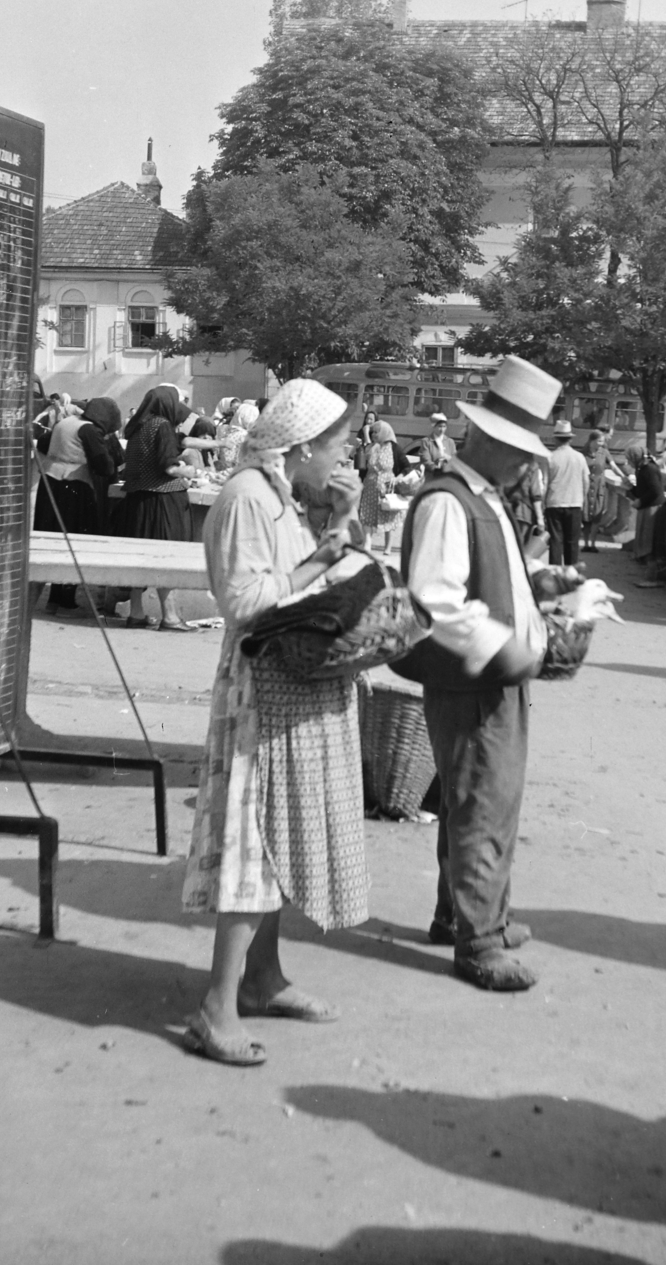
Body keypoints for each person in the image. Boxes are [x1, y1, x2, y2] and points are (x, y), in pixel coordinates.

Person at [180, 379, 366, 1066]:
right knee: (251, 843)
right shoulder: (245, 499)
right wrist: (322, 557)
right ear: (304, 445)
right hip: (260, 690)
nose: (344, 457)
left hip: (287, 688)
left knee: (273, 839)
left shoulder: (279, 499)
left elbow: (303, 577)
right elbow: (245, 600)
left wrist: (340, 524)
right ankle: (216, 1007)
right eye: (339, 445)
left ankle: (261, 979)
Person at [398, 355, 558, 993]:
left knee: (482, 801)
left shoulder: (482, 496)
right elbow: (436, 601)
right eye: (520, 451)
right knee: (482, 804)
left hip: (491, 677)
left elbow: (491, 585)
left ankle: (459, 915)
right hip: (473, 679)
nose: (528, 464)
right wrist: (505, 646)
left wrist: (541, 592)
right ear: (487, 440)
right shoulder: (448, 502)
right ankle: (479, 941)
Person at [114, 387, 198, 629]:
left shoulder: (137, 427)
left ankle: (137, 614)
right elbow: (168, 466)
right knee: (165, 557)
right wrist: (191, 471)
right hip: (163, 501)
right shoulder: (162, 426)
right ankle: (170, 616)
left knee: (139, 559)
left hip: (138, 501)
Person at [33, 396, 122, 612]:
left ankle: (44, 599)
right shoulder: (90, 431)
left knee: (49, 542)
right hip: (74, 488)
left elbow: (43, 444)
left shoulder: (64, 422)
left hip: (49, 484)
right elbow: (104, 465)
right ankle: (63, 600)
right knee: (73, 542)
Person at [542, 418, 590, 568]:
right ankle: (571, 574)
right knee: (572, 542)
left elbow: (544, 483)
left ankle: (555, 572)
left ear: (556, 438)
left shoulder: (550, 457)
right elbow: (586, 481)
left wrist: (543, 504)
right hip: (575, 503)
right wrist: (582, 499)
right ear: (570, 438)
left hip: (554, 502)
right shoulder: (579, 457)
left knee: (555, 541)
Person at [357, 420, 399, 552]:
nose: (374, 434)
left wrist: (399, 478)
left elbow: (404, 466)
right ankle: (367, 543)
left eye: (377, 432)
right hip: (370, 484)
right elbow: (361, 463)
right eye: (373, 432)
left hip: (387, 486)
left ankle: (388, 546)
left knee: (388, 515)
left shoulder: (394, 448)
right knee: (367, 513)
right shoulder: (372, 447)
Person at [626, 442, 665, 563]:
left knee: (648, 535)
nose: (628, 462)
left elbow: (656, 490)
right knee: (644, 534)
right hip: (647, 505)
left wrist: (641, 501)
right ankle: (643, 558)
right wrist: (631, 489)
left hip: (652, 506)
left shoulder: (649, 469)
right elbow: (642, 489)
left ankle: (649, 562)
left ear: (635, 458)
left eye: (629, 459)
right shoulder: (641, 468)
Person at [581, 429, 612, 552]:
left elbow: (613, 466)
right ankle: (586, 544)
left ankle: (593, 544)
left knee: (596, 517)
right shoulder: (583, 454)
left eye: (602, 441)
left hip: (599, 488)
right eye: (599, 441)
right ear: (591, 440)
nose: (601, 444)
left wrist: (624, 477)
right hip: (587, 487)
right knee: (586, 517)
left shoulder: (604, 452)